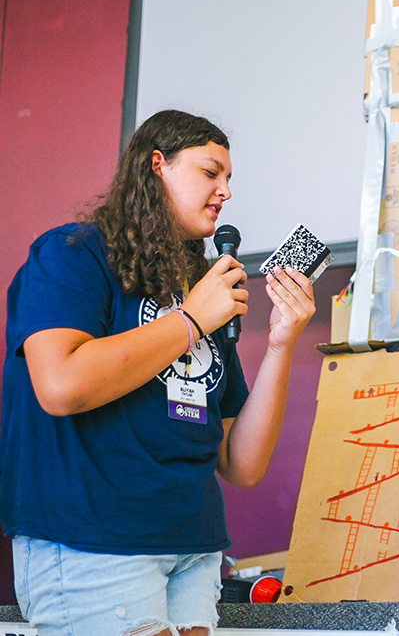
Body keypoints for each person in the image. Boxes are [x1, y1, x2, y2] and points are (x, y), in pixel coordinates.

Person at [0, 110, 316, 635]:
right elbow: (61, 385)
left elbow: (242, 465)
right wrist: (191, 319)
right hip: (96, 535)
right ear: (157, 165)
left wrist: (282, 342)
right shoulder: (73, 255)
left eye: (229, 179)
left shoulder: (194, 289)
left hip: (192, 547)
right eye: (210, 172)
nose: (225, 191)